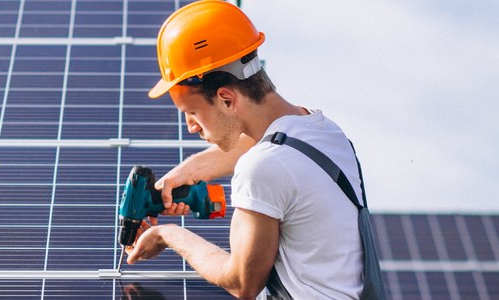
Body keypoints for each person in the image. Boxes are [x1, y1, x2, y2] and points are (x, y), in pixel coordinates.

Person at [123, 1, 367, 299]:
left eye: (192, 113)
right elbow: (271, 147)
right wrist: (189, 171)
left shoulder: (263, 168)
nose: (190, 127)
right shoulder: (322, 130)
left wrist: (168, 234)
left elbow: (241, 282)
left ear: (226, 99)